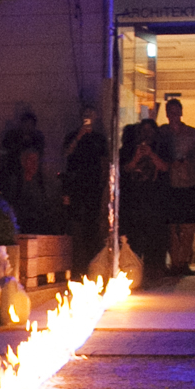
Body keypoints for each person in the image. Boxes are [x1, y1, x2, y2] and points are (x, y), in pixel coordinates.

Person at [118, 111, 170, 287]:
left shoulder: (162, 148)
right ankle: (134, 273)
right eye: (143, 131)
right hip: (133, 201)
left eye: (150, 131)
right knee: (134, 238)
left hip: (156, 200)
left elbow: (165, 167)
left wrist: (151, 155)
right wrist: (137, 157)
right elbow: (124, 169)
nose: (147, 134)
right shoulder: (128, 149)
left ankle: (154, 273)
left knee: (155, 238)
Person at [160, 97, 195, 274]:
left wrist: (190, 161)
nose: (173, 115)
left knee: (188, 226)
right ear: (167, 113)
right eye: (170, 112)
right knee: (171, 226)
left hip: (188, 183)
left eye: (176, 111)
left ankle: (182, 261)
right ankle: (175, 262)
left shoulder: (193, 134)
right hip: (169, 184)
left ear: (181, 112)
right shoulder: (162, 134)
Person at [61, 104, 110, 275]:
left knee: (92, 222)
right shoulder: (72, 135)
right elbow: (66, 153)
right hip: (75, 184)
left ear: (96, 117)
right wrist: (79, 136)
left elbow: (104, 162)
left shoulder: (99, 138)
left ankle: (92, 262)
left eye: (91, 114)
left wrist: (104, 183)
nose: (88, 117)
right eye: (85, 114)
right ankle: (75, 263)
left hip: (93, 185)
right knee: (74, 221)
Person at [0, 143, 65, 235]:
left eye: (36, 160)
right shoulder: (14, 183)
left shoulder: (42, 183)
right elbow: (10, 204)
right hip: (19, 225)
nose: (34, 164)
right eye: (31, 160)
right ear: (23, 162)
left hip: (39, 227)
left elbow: (47, 204)